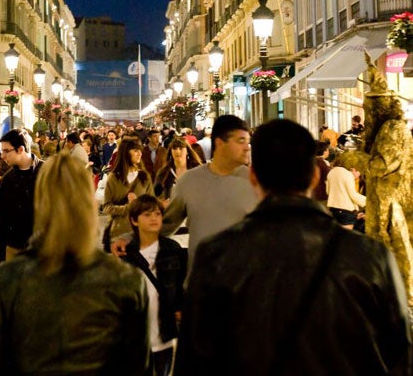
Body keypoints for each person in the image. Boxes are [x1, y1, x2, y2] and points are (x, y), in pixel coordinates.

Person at [175, 118, 412, 375]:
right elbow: (400, 355)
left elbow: (195, 361)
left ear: (253, 177)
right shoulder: (370, 256)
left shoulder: (217, 256)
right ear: (315, 176)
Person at [0, 151, 150, 375]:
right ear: (89, 203)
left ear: (40, 203)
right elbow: (138, 368)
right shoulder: (126, 281)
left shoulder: (7, 281)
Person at [112, 115, 257, 273]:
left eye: (248, 141)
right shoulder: (190, 181)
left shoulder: (255, 182)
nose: (247, 147)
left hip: (247, 280)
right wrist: (130, 239)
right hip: (202, 278)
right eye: (241, 141)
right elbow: (165, 224)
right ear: (220, 143)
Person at [124, 195, 186, 376]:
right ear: (134, 220)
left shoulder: (173, 249)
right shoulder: (126, 254)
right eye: (147, 214)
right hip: (136, 338)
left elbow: (182, 284)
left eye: (157, 214)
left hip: (164, 335)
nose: (154, 218)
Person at [0, 129, 44, 263]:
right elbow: (1, 218)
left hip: (43, 249)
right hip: (15, 248)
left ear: (21, 149)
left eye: (6, 151)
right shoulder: (7, 180)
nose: (2, 156)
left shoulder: (46, 173)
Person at [103, 137, 154, 245]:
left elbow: (152, 204)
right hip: (118, 234)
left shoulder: (144, 177)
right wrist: (128, 207)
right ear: (125, 153)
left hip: (141, 234)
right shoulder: (113, 178)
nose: (140, 153)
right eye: (135, 150)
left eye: (140, 150)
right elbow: (107, 207)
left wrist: (139, 204)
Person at [154, 136, 202, 204]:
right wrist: (161, 203)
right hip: (172, 209)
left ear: (187, 151)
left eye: (180, 148)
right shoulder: (164, 173)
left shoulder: (197, 170)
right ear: (171, 151)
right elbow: (155, 195)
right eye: (174, 148)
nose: (177, 151)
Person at [326, 161, 366, 230]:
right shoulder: (348, 175)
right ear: (352, 169)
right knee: (345, 235)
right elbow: (353, 195)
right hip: (346, 211)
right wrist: (368, 202)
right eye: (358, 171)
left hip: (333, 209)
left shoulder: (331, 172)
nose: (358, 174)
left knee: (335, 233)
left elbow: (328, 191)